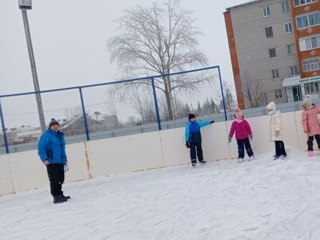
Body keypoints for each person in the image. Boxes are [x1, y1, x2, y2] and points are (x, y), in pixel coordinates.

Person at [38, 119, 70, 204]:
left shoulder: (59, 136)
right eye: (53, 125)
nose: (55, 126)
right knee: (54, 179)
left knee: (60, 178)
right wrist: (44, 159)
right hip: (51, 161)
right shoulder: (46, 135)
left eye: (57, 125)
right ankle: (56, 197)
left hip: (60, 161)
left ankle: (60, 194)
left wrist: (64, 159)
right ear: (50, 127)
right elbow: (41, 148)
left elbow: (62, 149)